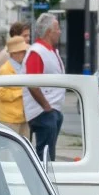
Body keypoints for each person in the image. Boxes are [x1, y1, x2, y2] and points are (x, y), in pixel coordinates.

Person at [23, 12, 66, 163]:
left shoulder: (50, 51)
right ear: (49, 32)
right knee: (45, 155)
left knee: (48, 153)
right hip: (43, 111)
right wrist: (46, 106)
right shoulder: (37, 52)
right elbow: (32, 84)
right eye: (57, 28)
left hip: (51, 109)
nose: (60, 32)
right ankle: (42, 182)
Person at [0, 35, 29, 139]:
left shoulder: (24, 67)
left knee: (24, 149)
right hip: (9, 118)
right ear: (14, 53)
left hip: (23, 117)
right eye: (22, 51)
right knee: (9, 149)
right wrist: (21, 92)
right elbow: (0, 93)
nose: (24, 53)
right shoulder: (5, 70)